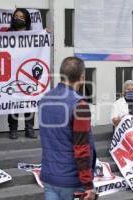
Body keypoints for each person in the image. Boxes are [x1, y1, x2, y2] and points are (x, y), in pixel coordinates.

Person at [39, 57, 97, 200]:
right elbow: (81, 148)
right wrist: (88, 184)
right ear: (82, 77)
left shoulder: (44, 99)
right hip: (71, 180)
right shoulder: (80, 105)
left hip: (49, 176)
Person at [7, 8, 36, 139]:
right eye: (16, 16)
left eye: (21, 17)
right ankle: (13, 129)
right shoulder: (7, 34)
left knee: (29, 101)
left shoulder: (34, 34)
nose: (18, 18)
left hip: (27, 73)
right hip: (12, 73)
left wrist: (45, 34)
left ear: (27, 20)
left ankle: (29, 128)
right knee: (13, 102)